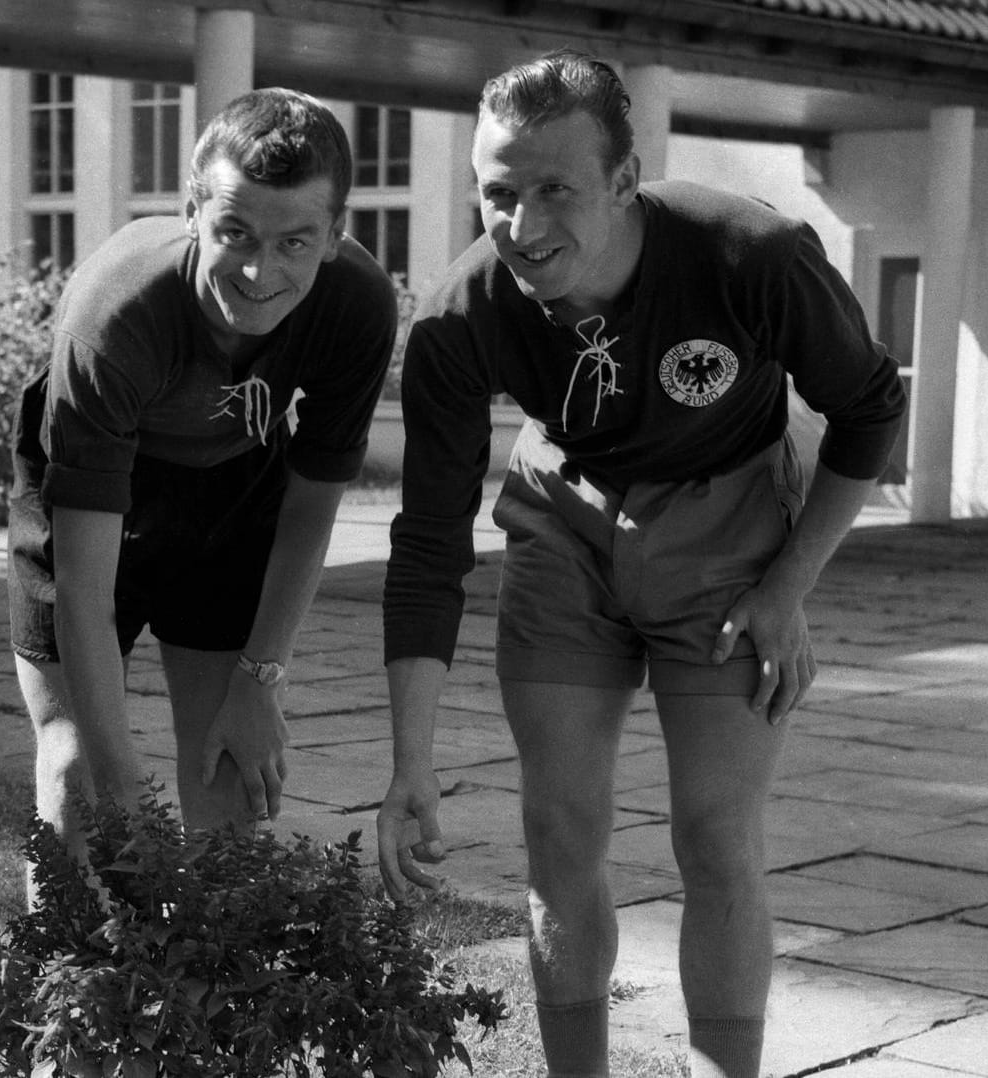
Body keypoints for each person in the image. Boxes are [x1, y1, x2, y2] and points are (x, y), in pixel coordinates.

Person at [374, 50, 906, 1078]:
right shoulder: (457, 316)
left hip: (728, 537)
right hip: (562, 522)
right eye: (498, 192)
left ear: (625, 181)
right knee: (558, 830)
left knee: (715, 837)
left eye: (554, 190)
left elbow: (871, 407)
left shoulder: (751, 253)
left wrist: (786, 587)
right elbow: (430, 544)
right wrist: (410, 760)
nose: (522, 225)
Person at [8, 88, 396, 859]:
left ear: (333, 234)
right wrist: (124, 793)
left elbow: (313, 501)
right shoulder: (114, 318)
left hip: (234, 485)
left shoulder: (357, 306)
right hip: (93, 491)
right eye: (234, 232)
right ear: (192, 210)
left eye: (295, 242)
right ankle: (75, 975)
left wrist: (262, 676)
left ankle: (208, 980)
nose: (258, 271)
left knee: (231, 775)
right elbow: (85, 591)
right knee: (81, 768)